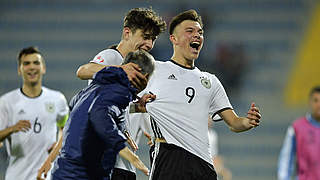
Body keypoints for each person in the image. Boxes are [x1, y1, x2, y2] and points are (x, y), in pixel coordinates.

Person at [37, 7, 166, 180]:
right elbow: (83, 71)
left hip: (122, 165)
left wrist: (136, 107)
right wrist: (120, 69)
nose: (149, 44)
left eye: (153, 39)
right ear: (127, 33)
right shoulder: (111, 57)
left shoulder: (134, 68)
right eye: (145, 36)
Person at [142, 9, 261, 180]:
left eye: (200, 32)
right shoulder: (155, 70)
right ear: (173, 39)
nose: (197, 36)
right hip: (169, 158)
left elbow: (234, 123)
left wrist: (247, 122)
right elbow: (130, 101)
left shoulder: (210, 81)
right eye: (189, 31)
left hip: (202, 162)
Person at [51, 50, 155, 180]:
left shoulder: (94, 87)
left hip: (64, 170)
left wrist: (121, 124)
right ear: (143, 76)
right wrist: (125, 150)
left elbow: (79, 108)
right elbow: (99, 114)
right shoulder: (120, 91)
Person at [0, 46, 69, 180]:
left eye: (36, 63)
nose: (32, 67)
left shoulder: (57, 99)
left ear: (43, 68)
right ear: (19, 70)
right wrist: (12, 129)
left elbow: (65, 128)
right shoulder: (6, 102)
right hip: (17, 176)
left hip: (46, 176)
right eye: (26, 63)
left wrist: (59, 145)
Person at [278, 86, 320, 180]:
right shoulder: (297, 128)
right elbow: (286, 160)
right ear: (310, 102)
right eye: (316, 100)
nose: (319, 105)